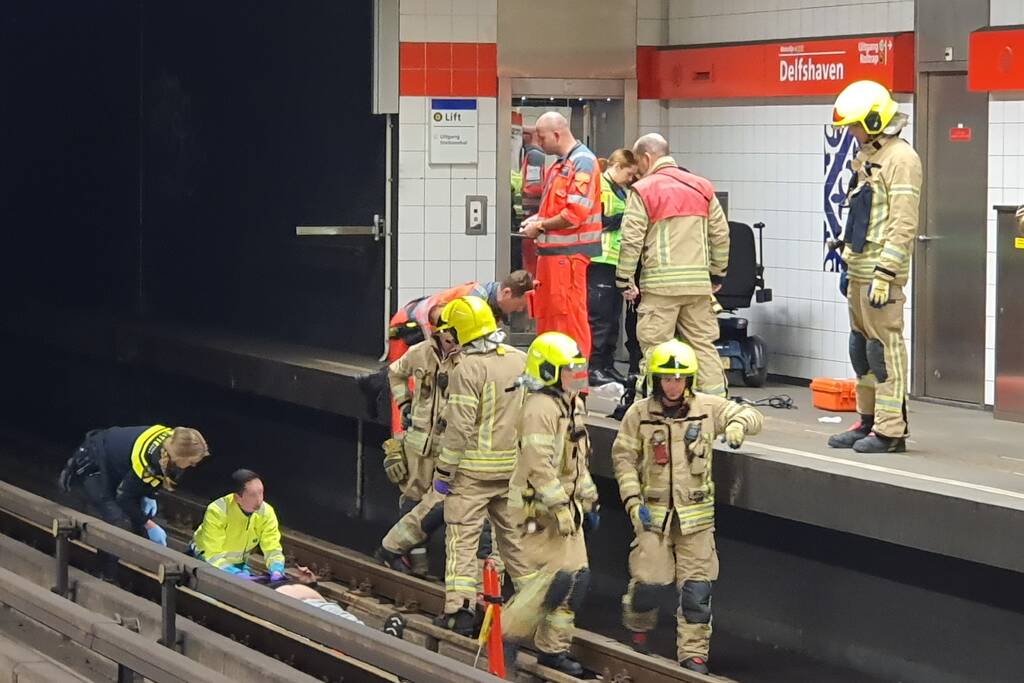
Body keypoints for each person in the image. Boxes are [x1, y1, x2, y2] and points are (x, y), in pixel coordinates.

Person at [612, 339, 763, 675]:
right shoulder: (639, 415)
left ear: (689, 379)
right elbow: (623, 459)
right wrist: (633, 501)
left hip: (696, 521)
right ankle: (638, 628)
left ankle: (693, 654)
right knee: (650, 583)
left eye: (680, 378)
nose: (674, 385)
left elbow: (750, 415)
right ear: (656, 380)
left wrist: (737, 425)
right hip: (653, 517)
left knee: (697, 592)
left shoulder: (706, 408)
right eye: (668, 378)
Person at [827, 80, 921, 454]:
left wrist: (886, 273)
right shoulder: (868, 156)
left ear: (874, 120)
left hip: (881, 275)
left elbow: (903, 222)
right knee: (861, 349)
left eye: (855, 125)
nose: (852, 132)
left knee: (884, 351)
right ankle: (867, 421)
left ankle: (890, 431)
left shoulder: (901, 159)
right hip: (858, 269)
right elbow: (863, 212)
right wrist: (847, 257)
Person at [430, 296, 529, 636]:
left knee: (462, 539)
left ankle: (459, 611)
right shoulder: (519, 360)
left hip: (472, 472)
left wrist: (444, 472)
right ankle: (518, 608)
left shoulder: (467, 369)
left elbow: (459, 427)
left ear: (460, 332)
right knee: (512, 543)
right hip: (511, 470)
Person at [503, 332, 598, 677]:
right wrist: (559, 507)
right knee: (552, 581)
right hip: (535, 512)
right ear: (548, 372)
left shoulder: (571, 405)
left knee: (575, 579)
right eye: (569, 370)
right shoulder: (540, 409)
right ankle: (506, 635)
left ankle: (553, 650)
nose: (576, 376)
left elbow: (576, 460)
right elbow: (538, 465)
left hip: (565, 509)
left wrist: (588, 498)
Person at [616, 133, 730, 399]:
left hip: (660, 289)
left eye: (638, 164)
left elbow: (631, 239)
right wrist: (717, 273)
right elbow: (721, 235)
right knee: (703, 347)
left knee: (656, 348)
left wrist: (624, 279)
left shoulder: (644, 190)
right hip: (698, 288)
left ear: (647, 158)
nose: (638, 172)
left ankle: (653, 407)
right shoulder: (702, 187)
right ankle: (714, 406)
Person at [370, 272, 535, 432]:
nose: (520, 309)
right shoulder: (473, 302)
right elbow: (453, 336)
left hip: (428, 329)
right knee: (415, 389)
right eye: (520, 304)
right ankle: (401, 439)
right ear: (506, 293)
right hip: (408, 330)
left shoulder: (489, 305)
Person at [374, 316, 462, 576]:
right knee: (412, 501)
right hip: (418, 445)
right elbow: (395, 373)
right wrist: (405, 404)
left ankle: (397, 550)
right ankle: (415, 566)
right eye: (448, 337)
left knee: (437, 506)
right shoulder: (420, 352)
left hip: (447, 448)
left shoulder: (467, 361)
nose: (452, 343)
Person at [520, 112, 602, 357]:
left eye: (542, 136)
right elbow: (556, 210)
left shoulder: (582, 163)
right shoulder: (560, 165)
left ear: (557, 134)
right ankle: (549, 372)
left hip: (568, 260)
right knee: (549, 320)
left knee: (569, 322)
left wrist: (540, 226)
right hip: (553, 259)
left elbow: (575, 213)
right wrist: (537, 219)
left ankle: (575, 378)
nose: (538, 142)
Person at [58, 425, 209, 546]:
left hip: (115, 466)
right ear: (179, 456)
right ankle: (105, 570)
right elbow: (124, 498)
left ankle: (143, 560)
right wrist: (149, 524)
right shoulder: (146, 462)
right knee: (117, 521)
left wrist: (149, 496)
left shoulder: (171, 442)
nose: (193, 465)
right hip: (94, 463)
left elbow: (151, 480)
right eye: (191, 462)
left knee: (140, 516)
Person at [588, 149, 639, 386]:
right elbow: (595, 220)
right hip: (599, 260)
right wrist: (623, 219)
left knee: (612, 318)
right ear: (617, 166)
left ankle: (607, 365)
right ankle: (594, 366)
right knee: (599, 318)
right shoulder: (599, 185)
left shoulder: (623, 190)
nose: (630, 179)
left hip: (616, 261)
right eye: (628, 173)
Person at [190, 469, 286, 580]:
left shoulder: (266, 512)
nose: (259, 500)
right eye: (253, 495)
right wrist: (235, 573)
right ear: (237, 498)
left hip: (237, 563)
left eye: (261, 492)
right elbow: (212, 554)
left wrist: (277, 568)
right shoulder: (218, 511)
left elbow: (272, 546)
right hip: (203, 561)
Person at [519, 125, 547, 275]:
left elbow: (533, 187)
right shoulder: (533, 154)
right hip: (533, 213)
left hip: (531, 214)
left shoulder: (534, 156)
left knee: (530, 263)